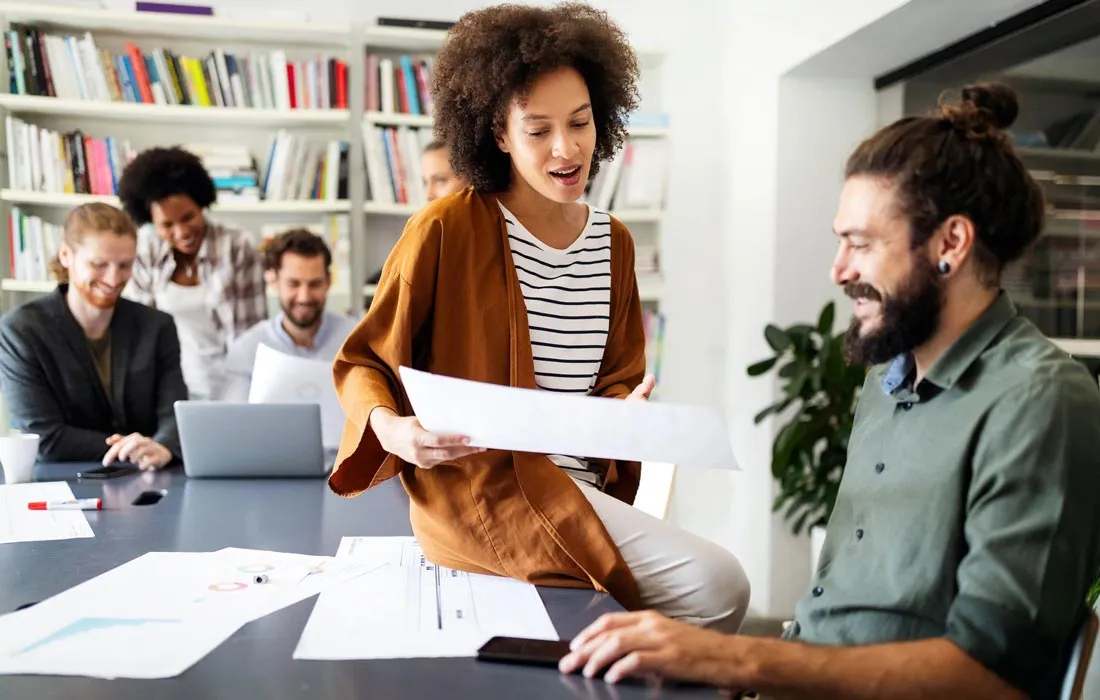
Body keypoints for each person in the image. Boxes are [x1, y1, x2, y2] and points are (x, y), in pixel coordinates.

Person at [560, 83, 1100, 700]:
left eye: (862, 244)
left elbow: (994, 676)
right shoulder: (888, 378)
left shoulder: (1041, 401)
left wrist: (741, 661)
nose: (838, 270)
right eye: (840, 241)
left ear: (951, 244)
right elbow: (844, 611)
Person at [329, 2, 750, 633]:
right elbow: (364, 361)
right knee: (719, 584)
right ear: (498, 133)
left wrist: (621, 417)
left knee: (697, 591)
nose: (567, 147)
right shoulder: (446, 228)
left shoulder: (615, 243)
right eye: (538, 130)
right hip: (480, 491)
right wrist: (395, 433)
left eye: (580, 123)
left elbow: (614, 377)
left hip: (576, 488)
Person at [0, 203, 188, 467]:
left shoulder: (157, 326)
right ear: (66, 255)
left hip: (149, 479)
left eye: (125, 265)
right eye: (99, 264)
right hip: (62, 481)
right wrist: (133, 447)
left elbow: (174, 417)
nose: (113, 279)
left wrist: (164, 446)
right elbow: (44, 437)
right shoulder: (21, 331)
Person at [118, 146, 267, 401]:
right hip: (169, 389)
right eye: (167, 225)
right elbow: (139, 332)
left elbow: (251, 336)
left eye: (188, 217)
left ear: (202, 204)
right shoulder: (146, 250)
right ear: (151, 222)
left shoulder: (237, 246)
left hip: (234, 387)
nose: (182, 231)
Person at [223, 228, 356, 401]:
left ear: (329, 281)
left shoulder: (356, 341)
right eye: (293, 284)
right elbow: (235, 421)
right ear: (274, 281)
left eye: (315, 284)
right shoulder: (246, 350)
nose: (304, 297)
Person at [364, 139, 471, 291]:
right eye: (425, 183)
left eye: (440, 180)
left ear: (473, 182)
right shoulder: (421, 240)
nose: (429, 194)